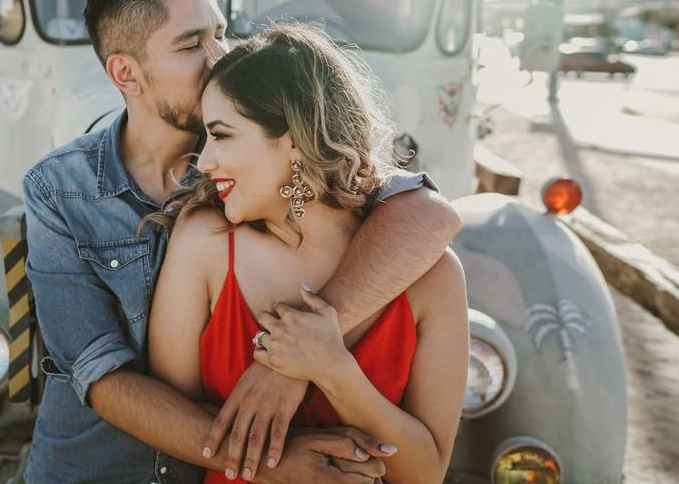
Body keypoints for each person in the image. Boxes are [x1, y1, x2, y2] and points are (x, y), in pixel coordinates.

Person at [21, 0, 462, 483]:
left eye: (220, 33)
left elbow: (427, 214)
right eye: (192, 44)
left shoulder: (266, 151)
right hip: (103, 470)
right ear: (126, 73)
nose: (220, 55)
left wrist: (290, 362)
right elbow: (100, 374)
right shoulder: (60, 189)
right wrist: (270, 459)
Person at [148, 26, 469, 483]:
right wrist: (278, 462)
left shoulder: (433, 277)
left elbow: (426, 473)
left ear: (294, 141)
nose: (204, 162)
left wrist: (329, 367)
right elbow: (168, 419)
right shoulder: (204, 244)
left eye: (222, 135)